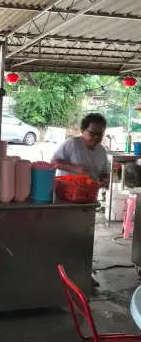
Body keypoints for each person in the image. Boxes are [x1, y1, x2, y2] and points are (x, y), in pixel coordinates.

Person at [51, 113, 110, 289]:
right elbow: (53, 162)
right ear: (83, 131)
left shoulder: (102, 151)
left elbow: (105, 171)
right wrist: (73, 168)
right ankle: (60, 275)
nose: (96, 138)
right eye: (92, 133)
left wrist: (105, 179)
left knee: (85, 238)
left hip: (88, 200)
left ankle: (84, 274)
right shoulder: (72, 144)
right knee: (64, 237)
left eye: (100, 134)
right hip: (66, 199)